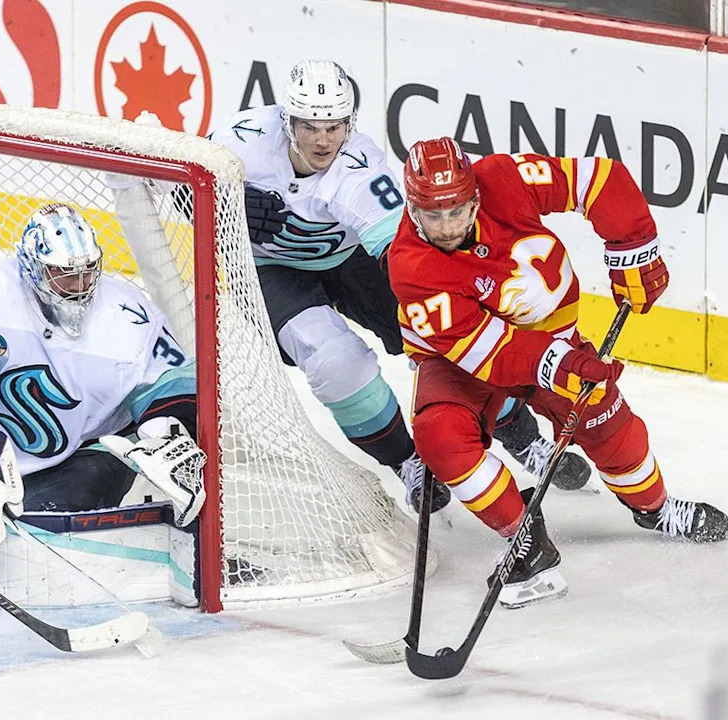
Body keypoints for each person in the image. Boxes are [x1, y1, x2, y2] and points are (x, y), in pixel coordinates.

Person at [207, 58, 590, 511]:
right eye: (310, 125)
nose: (323, 139)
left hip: (351, 260)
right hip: (268, 271)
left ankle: (520, 435)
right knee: (334, 361)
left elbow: (404, 257)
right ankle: (408, 462)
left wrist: (429, 318)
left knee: (445, 336)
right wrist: (223, 203)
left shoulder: (360, 168)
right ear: (286, 119)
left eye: (335, 125)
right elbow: (172, 183)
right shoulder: (240, 138)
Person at [386, 137, 728, 608]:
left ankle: (654, 509)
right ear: (412, 208)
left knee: (615, 434)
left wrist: (635, 250)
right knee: (439, 437)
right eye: (433, 215)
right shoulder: (411, 265)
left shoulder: (503, 179)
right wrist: (563, 364)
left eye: (458, 210)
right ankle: (525, 537)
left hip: (555, 342)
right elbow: (491, 352)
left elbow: (599, 180)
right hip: (461, 363)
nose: (447, 227)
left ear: (475, 196)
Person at [0, 203, 204, 557]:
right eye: (63, 273)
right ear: (32, 268)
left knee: (50, 524)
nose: (79, 285)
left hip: (87, 451)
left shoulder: (129, 315)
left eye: (88, 271)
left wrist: (165, 432)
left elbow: (171, 387)